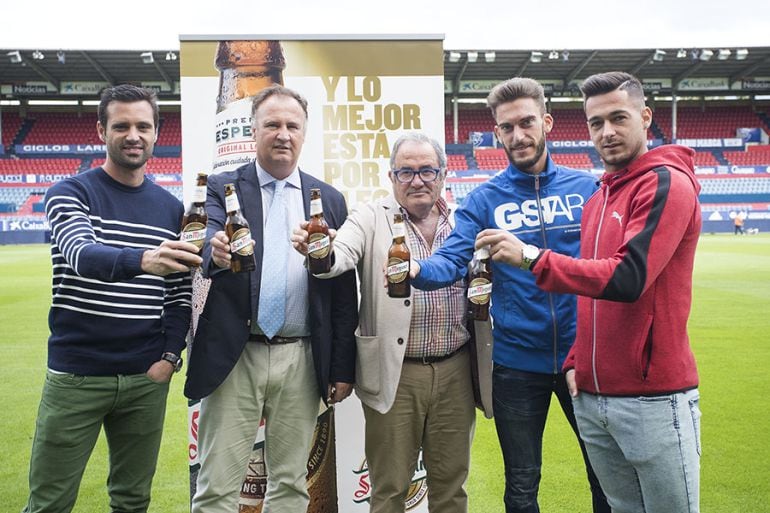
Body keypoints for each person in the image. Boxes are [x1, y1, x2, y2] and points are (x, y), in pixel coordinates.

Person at [476, 71, 702, 513]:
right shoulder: (599, 196)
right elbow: (589, 293)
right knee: (615, 504)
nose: (607, 132)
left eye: (618, 118)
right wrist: (579, 357)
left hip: (652, 395)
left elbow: (626, 278)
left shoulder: (664, 183)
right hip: (594, 389)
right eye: (596, 123)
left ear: (646, 117)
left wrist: (531, 258)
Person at [410, 78, 609, 513]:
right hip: (517, 365)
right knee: (522, 482)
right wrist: (414, 269)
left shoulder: (587, 190)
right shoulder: (484, 200)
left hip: (585, 361)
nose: (518, 135)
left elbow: (612, 271)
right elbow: (449, 261)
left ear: (547, 123)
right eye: (507, 127)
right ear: (496, 133)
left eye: (526, 123)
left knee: (605, 476)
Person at [23, 84, 201, 513]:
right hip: (77, 376)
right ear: (102, 130)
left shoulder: (168, 208)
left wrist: (170, 356)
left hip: (145, 378)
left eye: (143, 125)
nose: (133, 134)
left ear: (158, 132)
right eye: (121, 126)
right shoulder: (69, 192)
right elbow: (82, 255)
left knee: (132, 501)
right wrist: (143, 260)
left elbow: (178, 295)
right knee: (49, 503)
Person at [185, 85, 358, 513]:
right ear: (254, 129)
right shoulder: (223, 186)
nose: (283, 133)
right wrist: (216, 250)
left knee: (290, 485)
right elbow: (203, 235)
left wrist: (341, 366)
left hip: (301, 357)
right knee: (216, 487)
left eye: (292, 125)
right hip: (236, 353)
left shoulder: (328, 199)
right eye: (272, 124)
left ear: (304, 132)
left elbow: (341, 293)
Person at [292, 132, 485, 513]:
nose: (417, 180)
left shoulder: (465, 221)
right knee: (389, 488)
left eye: (427, 170)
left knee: (452, 486)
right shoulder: (369, 217)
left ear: (444, 174)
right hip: (397, 374)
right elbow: (340, 255)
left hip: (456, 369)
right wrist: (320, 252)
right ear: (391, 177)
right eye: (406, 172)